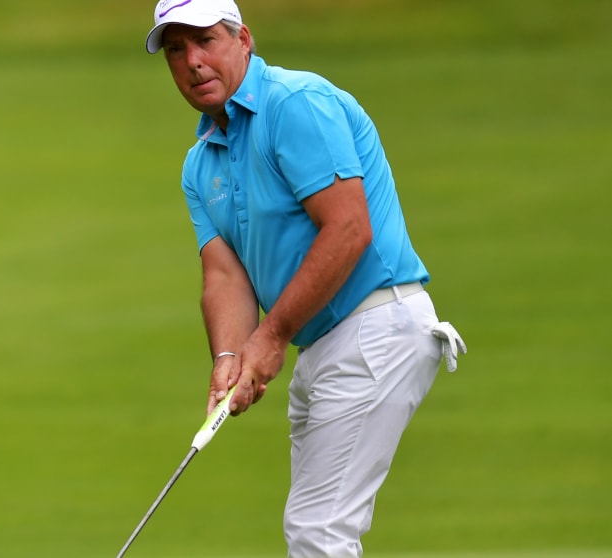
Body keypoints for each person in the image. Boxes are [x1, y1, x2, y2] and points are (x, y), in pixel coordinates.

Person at [144, 1, 467, 556]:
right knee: (317, 528)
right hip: (322, 343)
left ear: (243, 39)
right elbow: (225, 275)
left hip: (374, 325)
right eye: (176, 49)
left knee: (319, 530)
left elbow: (348, 229)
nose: (193, 61)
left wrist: (270, 337)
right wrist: (230, 358)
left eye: (206, 41)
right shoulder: (200, 164)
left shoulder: (294, 103)